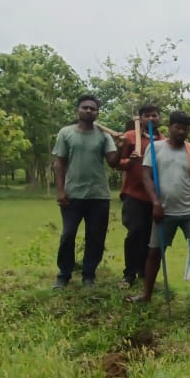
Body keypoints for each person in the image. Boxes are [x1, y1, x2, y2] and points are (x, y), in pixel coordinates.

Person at [127, 110, 190, 308]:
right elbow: (146, 176)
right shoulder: (155, 148)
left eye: (185, 128)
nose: (181, 131)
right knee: (154, 252)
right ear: (170, 127)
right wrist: (156, 203)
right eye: (178, 127)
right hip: (164, 212)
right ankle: (146, 294)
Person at [51, 94, 123, 289]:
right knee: (68, 234)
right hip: (72, 195)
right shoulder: (66, 133)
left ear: (97, 113)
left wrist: (124, 147)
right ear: (78, 110)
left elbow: (113, 161)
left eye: (93, 109)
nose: (89, 111)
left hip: (98, 195)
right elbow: (59, 164)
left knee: (96, 237)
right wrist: (60, 191)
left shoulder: (104, 136)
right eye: (85, 108)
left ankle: (89, 275)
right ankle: (64, 274)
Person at [110, 104, 162, 289]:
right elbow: (117, 164)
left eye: (154, 115)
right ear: (140, 118)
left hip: (156, 198)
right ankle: (129, 274)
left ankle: (146, 274)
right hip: (135, 194)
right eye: (147, 115)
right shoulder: (131, 137)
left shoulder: (163, 141)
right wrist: (130, 159)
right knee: (136, 232)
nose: (152, 118)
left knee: (152, 237)